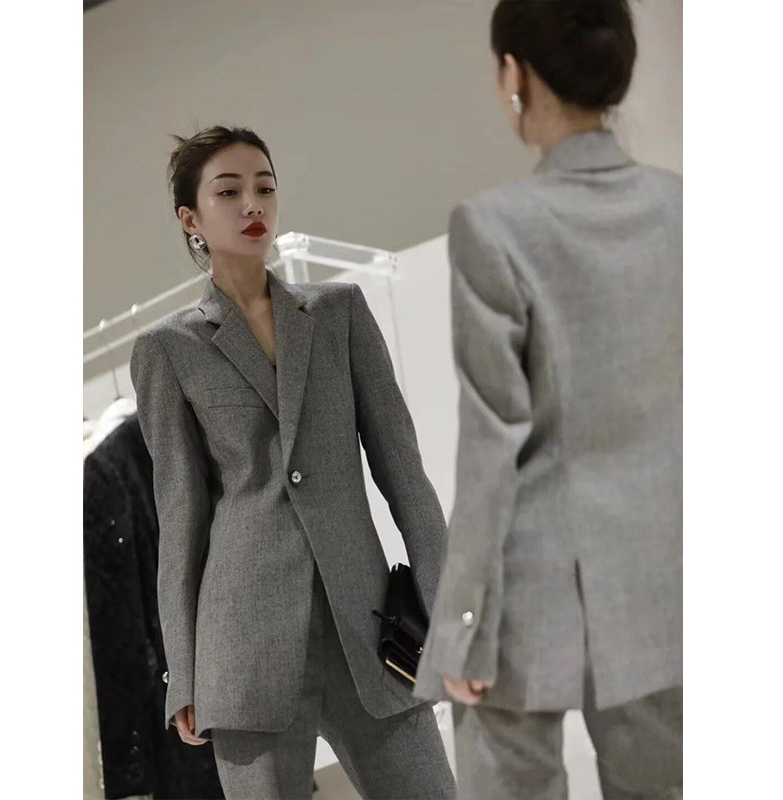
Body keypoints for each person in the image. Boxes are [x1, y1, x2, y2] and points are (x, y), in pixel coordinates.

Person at [130, 125, 456, 800]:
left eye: (265, 187)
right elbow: (180, 520)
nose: (253, 204)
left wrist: (448, 608)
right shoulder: (169, 349)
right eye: (228, 192)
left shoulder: (339, 313)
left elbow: (405, 475)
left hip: (371, 631)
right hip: (244, 648)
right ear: (191, 219)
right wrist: (183, 674)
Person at [413, 2, 683, 799]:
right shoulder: (688, 211)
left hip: (527, 605)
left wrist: (461, 628)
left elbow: (491, 446)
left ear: (515, 74)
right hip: (663, 590)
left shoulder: (495, 227)